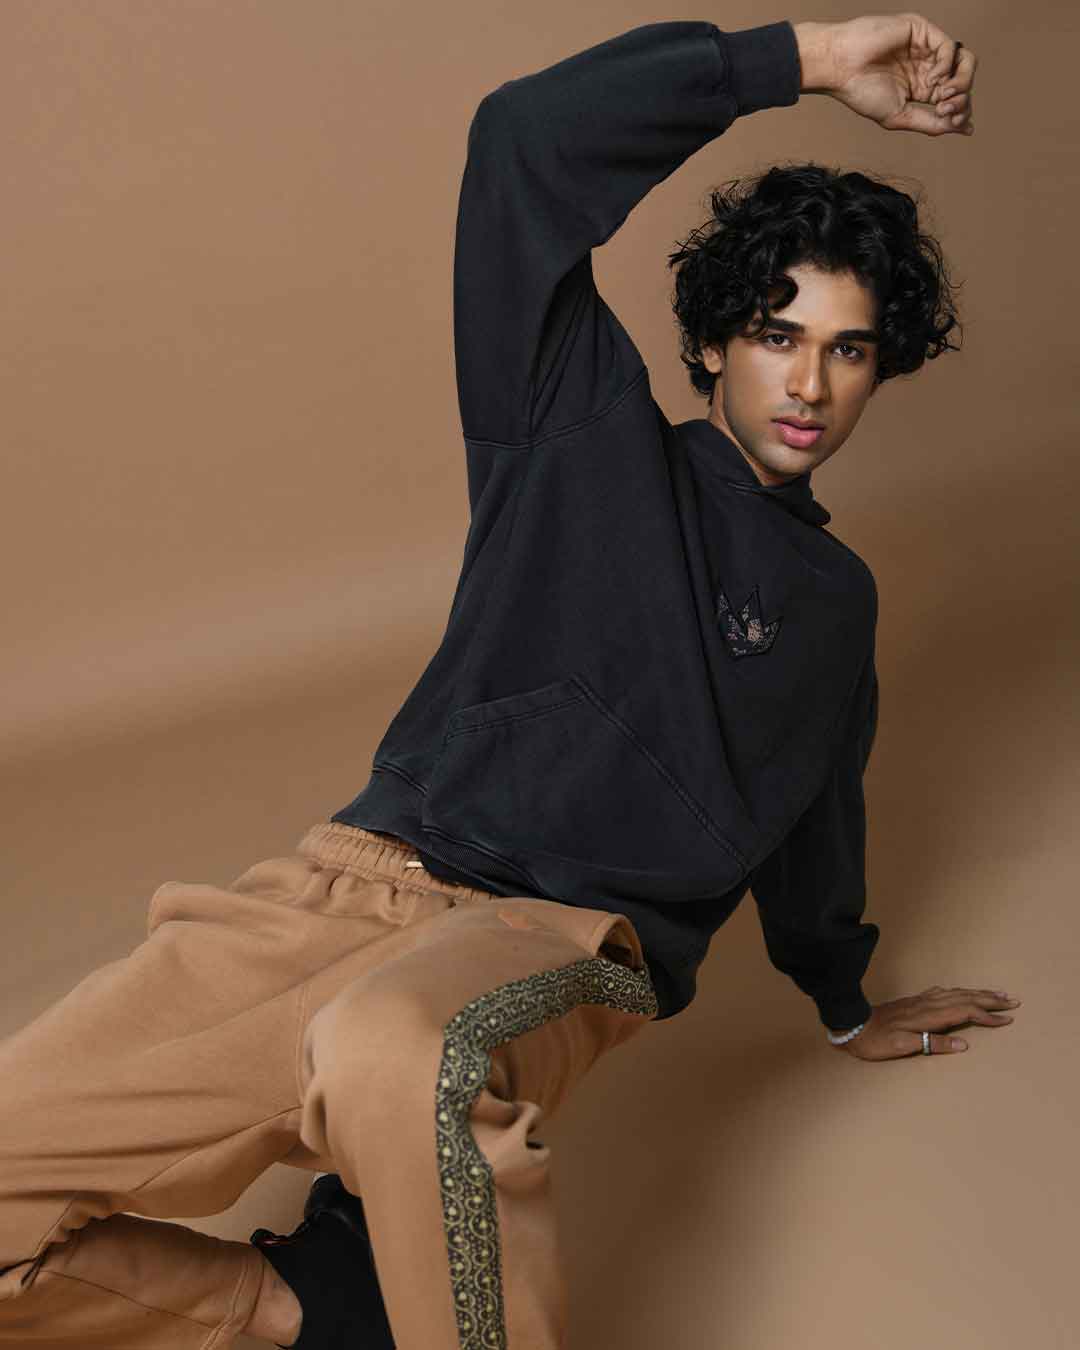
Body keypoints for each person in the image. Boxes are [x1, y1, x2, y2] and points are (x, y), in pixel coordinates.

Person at [0, 12, 1014, 1350]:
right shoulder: (574, 429)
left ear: (883, 368)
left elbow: (816, 811)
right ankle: (303, 1308)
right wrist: (810, 63)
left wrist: (843, 1000)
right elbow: (521, 143)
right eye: (779, 334)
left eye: (851, 348)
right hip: (337, 884)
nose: (811, 382)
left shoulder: (837, 603)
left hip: (549, 936)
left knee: (395, 1050)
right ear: (716, 342)